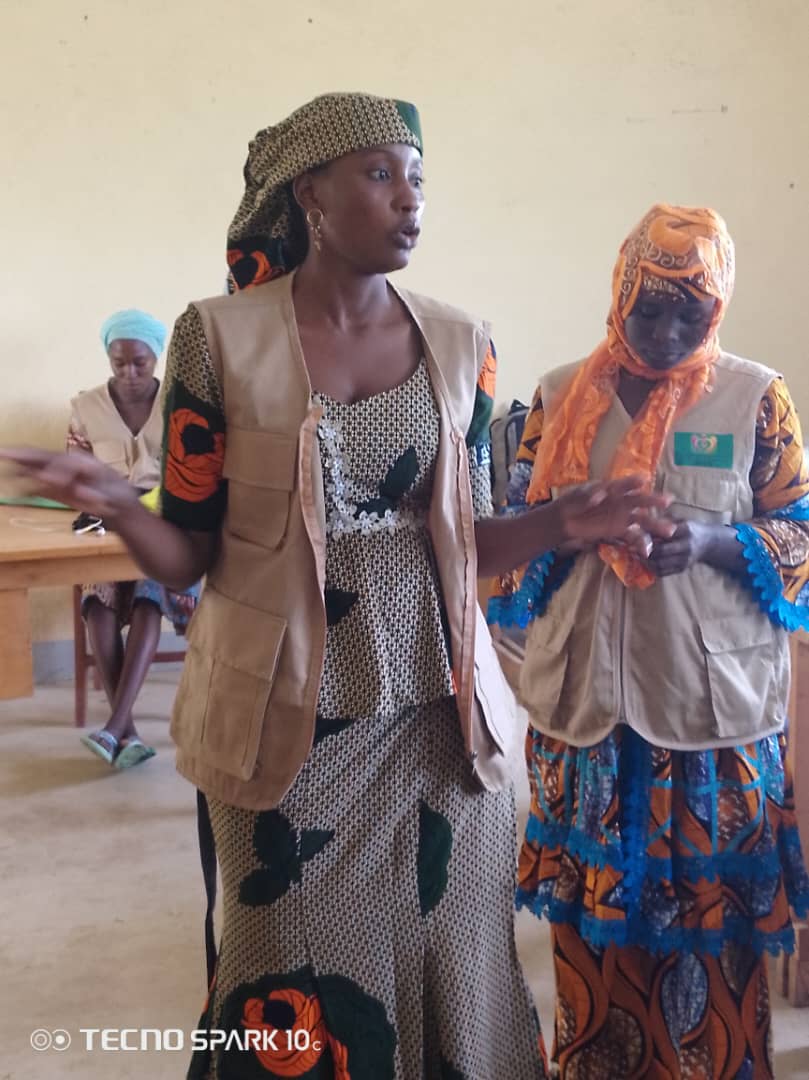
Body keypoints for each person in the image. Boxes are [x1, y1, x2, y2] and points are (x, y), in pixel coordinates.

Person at [3, 94, 669, 1079]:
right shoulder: (217, 338)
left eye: (418, 178)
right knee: (285, 967)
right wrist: (122, 507)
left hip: (442, 725)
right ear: (309, 193)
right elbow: (189, 556)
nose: (409, 199)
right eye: (379, 174)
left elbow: (466, 541)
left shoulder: (461, 343)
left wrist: (562, 522)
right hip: (284, 727)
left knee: (457, 965)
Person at [489, 204, 809, 1079]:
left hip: (709, 720)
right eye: (649, 310)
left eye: (690, 315)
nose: (666, 334)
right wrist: (570, 527)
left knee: (716, 932)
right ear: (618, 294)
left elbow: (801, 532)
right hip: (585, 709)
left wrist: (708, 542)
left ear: (717, 309)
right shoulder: (560, 395)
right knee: (592, 936)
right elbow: (510, 538)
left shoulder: (755, 398)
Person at [69, 309, 199, 769]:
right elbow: (77, 476)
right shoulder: (85, 407)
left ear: (156, 357)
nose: (129, 373)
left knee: (149, 596)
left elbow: (195, 478)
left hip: (167, 531)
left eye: (139, 363)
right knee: (97, 601)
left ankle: (115, 727)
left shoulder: (182, 404)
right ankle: (125, 731)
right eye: (118, 362)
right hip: (105, 527)